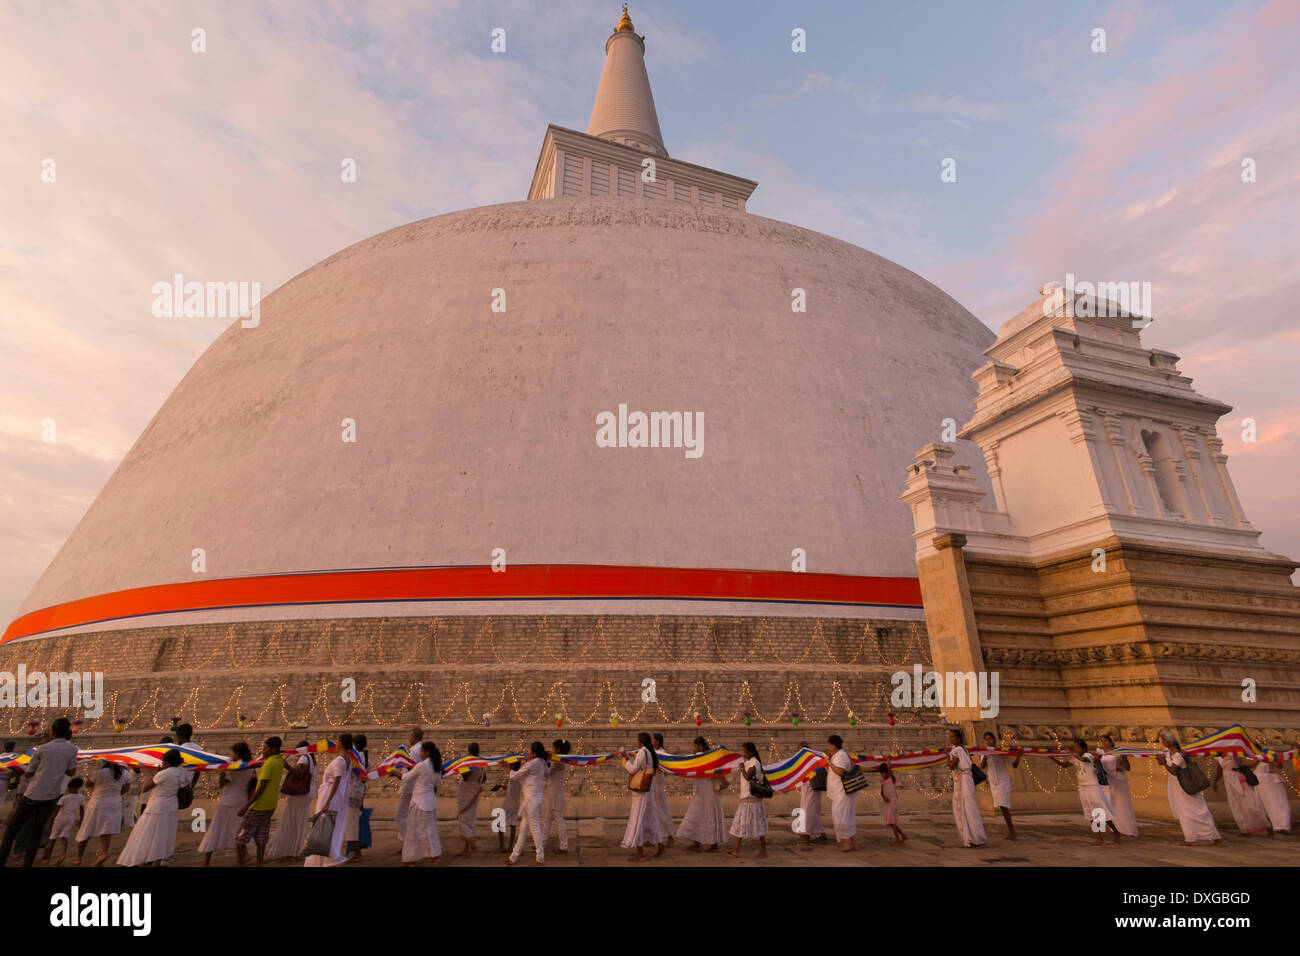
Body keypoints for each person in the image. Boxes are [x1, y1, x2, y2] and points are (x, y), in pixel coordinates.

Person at [0, 717, 78, 868]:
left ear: (53, 732)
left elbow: (29, 773)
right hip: (51, 796)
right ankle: (27, 863)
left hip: (33, 794)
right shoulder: (72, 750)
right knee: (37, 832)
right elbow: (71, 771)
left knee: (12, 830)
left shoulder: (42, 749)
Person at [117, 749, 187, 866]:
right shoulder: (181, 771)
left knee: (146, 835)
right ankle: (158, 861)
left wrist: (156, 773)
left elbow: (146, 788)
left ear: (168, 763)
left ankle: (143, 860)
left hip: (157, 807)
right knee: (163, 836)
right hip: (171, 807)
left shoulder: (163, 773)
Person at [1155, 730, 1223, 846]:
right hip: (1176, 785)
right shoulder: (1168, 753)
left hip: (1186, 785)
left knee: (1199, 811)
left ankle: (1214, 836)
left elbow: (1172, 770)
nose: (1164, 742)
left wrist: (1163, 762)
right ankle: (1190, 838)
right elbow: (1166, 765)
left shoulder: (1178, 755)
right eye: (1163, 740)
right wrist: (1161, 761)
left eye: (1166, 740)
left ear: (1171, 740)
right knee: (1184, 812)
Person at [1051, 738, 1120, 845]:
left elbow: (1084, 760)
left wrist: (1072, 753)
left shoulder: (1088, 756)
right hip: (1083, 788)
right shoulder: (1075, 758)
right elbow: (1063, 765)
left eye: (1078, 747)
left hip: (1093, 787)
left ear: (1083, 748)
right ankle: (1099, 838)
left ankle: (1116, 832)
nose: (1076, 749)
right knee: (1091, 814)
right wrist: (1052, 758)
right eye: (1074, 747)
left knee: (1101, 812)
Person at [197, 742, 255, 865]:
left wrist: (223, 770)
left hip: (228, 800)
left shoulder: (233, 767)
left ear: (237, 754)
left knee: (215, 830)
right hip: (241, 800)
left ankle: (207, 861)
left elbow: (222, 783)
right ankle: (243, 855)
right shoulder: (250, 767)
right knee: (238, 830)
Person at [304, 732, 352, 866]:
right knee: (326, 826)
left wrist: (328, 802)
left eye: (337, 742)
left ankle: (326, 857)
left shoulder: (340, 760)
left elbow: (337, 780)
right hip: (331, 794)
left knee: (324, 826)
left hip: (330, 795)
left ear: (341, 743)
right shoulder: (346, 758)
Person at [236, 736, 285, 866]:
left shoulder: (268, 764)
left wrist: (246, 806)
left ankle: (241, 861)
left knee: (240, 837)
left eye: (266, 748)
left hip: (259, 805)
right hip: (270, 805)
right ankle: (259, 862)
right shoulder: (279, 760)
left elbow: (261, 787)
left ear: (274, 749)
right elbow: (286, 764)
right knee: (261, 836)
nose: (264, 751)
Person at [266, 741, 316, 860]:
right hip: (305, 795)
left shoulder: (304, 758)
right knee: (297, 821)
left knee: (294, 821)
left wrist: (287, 766)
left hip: (300, 796)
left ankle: (294, 850)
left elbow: (299, 774)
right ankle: (294, 849)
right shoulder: (309, 758)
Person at [76, 759, 131, 866]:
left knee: (86, 828)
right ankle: (104, 853)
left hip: (98, 801)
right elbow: (126, 788)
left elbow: (88, 784)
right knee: (106, 829)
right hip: (114, 802)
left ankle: (78, 857)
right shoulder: (126, 773)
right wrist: (116, 794)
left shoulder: (100, 772)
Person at [677, 735, 727, 851]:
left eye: (695, 746)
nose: (694, 748)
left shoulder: (702, 757)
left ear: (699, 746)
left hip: (708, 790)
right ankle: (697, 841)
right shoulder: (711, 756)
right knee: (698, 815)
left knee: (708, 816)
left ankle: (713, 844)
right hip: (703, 790)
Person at [620, 732, 664, 861]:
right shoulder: (649, 752)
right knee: (650, 819)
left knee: (637, 819)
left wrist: (625, 760)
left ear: (641, 741)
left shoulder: (642, 752)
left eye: (637, 740)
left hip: (641, 792)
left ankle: (640, 853)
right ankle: (660, 845)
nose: (636, 742)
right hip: (648, 790)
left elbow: (633, 769)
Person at [503, 742, 547, 866]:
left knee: (535, 829)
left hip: (531, 801)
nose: (528, 752)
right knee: (523, 830)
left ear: (533, 752)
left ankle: (540, 858)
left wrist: (507, 767)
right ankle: (514, 856)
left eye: (530, 751)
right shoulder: (542, 763)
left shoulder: (532, 763)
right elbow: (546, 773)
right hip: (534, 799)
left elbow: (515, 776)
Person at [400, 741, 443, 866]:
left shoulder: (422, 765)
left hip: (419, 803)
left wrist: (394, 773)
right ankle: (412, 858)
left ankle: (433, 855)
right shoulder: (436, 766)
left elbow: (406, 778)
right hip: (429, 802)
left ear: (427, 752)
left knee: (416, 831)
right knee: (428, 830)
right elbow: (438, 783)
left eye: (422, 751)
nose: (420, 753)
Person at [1210, 753, 1271, 836]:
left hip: (1239, 780)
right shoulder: (1218, 757)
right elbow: (1219, 770)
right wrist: (1215, 782)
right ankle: (1244, 829)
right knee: (1236, 806)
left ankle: (1266, 825)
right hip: (1229, 782)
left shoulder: (1233, 754)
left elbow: (1246, 763)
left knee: (1251, 804)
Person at [946, 728, 987, 848]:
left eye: (952, 736)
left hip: (963, 781)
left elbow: (952, 766)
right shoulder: (964, 749)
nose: (950, 738)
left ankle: (973, 837)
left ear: (958, 738)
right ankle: (975, 837)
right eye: (950, 736)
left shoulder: (957, 750)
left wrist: (946, 756)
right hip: (966, 780)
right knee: (970, 808)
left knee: (965, 808)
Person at [728, 741, 768, 858]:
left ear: (751, 752)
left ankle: (763, 850)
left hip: (751, 799)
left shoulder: (754, 763)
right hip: (748, 798)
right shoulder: (749, 762)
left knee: (756, 824)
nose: (743, 753)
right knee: (742, 823)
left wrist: (741, 769)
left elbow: (748, 776)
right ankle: (736, 849)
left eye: (745, 751)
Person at [977, 731, 1021, 840]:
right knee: (1001, 806)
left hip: (1003, 780)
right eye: (986, 739)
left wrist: (1019, 756)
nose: (989, 741)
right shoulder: (984, 752)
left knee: (1003, 805)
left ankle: (1012, 832)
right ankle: (1011, 831)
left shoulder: (1001, 750)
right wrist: (986, 755)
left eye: (990, 739)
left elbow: (1013, 765)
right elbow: (982, 766)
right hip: (993, 780)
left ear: (994, 739)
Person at [1097, 734, 1139, 837]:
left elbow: (1127, 767)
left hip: (1118, 780)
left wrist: (1121, 760)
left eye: (1106, 740)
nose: (1104, 743)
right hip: (1106, 781)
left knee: (1121, 804)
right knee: (1109, 804)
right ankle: (1113, 828)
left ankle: (1126, 829)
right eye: (1102, 741)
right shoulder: (1100, 753)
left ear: (1111, 742)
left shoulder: (1118, 752)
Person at [824, 734, 858, 851]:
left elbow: (840, 771)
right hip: (838, 791)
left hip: (843, 792)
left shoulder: (841, 756)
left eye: (829, 744)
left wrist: (829, 763)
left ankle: (847, 842)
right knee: (846, 816)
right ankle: (852, 842)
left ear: (833, 745)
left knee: (840, 817)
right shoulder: (836, 755)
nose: (829, 747)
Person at [42, 777, 85, 864]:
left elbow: (56, 811)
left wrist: (50, 821)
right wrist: (81, 820)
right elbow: (81, 810)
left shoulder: (64, 798)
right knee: (64, 837)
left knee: (53, 838)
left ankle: (47, 857)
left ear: (71, 787)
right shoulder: (81, 797)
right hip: (70, 819)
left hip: (60, 819)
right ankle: (63, 854)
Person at [795, 740, 827, 847]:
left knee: (808, 809)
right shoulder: (807, 758)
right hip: (809, 787)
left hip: (812, 787)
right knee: (813, 810)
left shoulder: (810, 758)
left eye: (799, 749)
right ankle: (822, 833)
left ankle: (805, 833)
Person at [455, 742, 486, 856]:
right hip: (473, 792)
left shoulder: (471, 763)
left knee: (463, 820)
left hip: (467, 795)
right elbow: (483, 779)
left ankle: (473, 846)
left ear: (469, 751)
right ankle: (466, 848)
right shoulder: (481, 764)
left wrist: (461, 766)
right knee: (470, 820)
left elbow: (465, 777)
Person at [543, 738, 570, 854]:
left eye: (553, 748)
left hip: (555, 793)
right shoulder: (559, 760)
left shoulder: (557, 761)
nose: (551, 750)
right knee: (547, 819)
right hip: (553, 792)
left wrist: (543, 762)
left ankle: (564, 846)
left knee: (558, 819)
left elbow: (547, 773)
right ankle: (542, 843)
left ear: (557, 749)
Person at [1254, 757, 1292, 835]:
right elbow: (1249, 764)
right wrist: (1260, 758)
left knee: (1277, 802)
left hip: (1270, 779)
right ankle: (1265, 825)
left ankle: (1282, 825)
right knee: (1259, 803)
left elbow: (1279, 766)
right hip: (1259, 779)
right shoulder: (1254, 754)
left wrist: (1270, 758)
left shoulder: (1271, 754)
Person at [346, 734, 368, 859]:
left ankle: (357, 852)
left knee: (351, 822)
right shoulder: (365, 757)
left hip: (351, 792)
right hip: (358, 791)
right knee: (351, 821)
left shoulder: (354, 757)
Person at [650, 732, 674, 846]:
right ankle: (651, 837)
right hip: (650, 784)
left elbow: (665, 769)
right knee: (650, 811)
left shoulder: (662, 753)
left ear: (657, 741)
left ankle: (669, 835)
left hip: (657, 785)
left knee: (661, 810)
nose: (651, 741)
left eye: (653, 739)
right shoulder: (650, 751)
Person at [495, 757, 522, 853]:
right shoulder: (517, 776)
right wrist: (503, 787)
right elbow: (511, 788)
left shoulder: (514, 775)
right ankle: (510, 846)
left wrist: (504, 765)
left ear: (513, 766)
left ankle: (502, 845)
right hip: (514, 804)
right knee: (513, 824)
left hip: (509, 804)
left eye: (511, 764)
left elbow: (510, 774)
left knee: (499, 824)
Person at [879, 763, 906, 845]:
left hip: (893, 803)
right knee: (891, 822)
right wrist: (884, 797)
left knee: (893, 822)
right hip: (887, 804)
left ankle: (897, 840)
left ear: (887, 772)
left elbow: (890, 770)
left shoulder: (892, 779)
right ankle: (903, 835)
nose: (883, 775)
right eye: (881, 773)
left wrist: (888, 760)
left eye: (884, 773)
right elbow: (881, 792)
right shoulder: (883, 782)